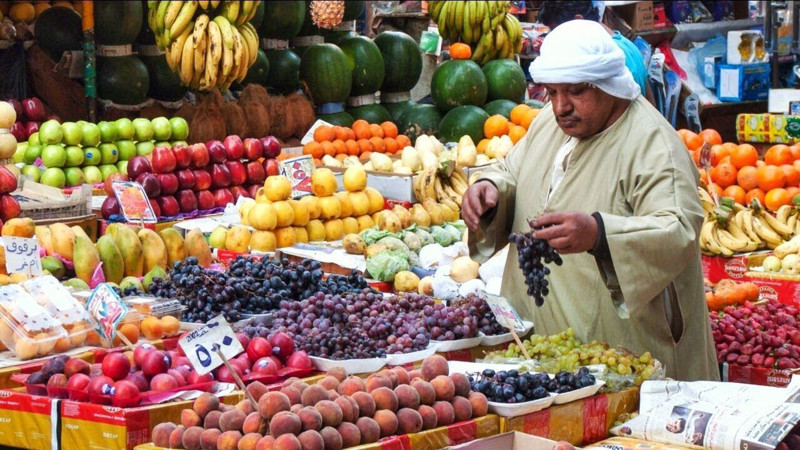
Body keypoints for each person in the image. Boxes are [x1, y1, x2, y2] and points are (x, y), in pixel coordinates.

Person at [462, 20, 719, 381]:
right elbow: (511, 169)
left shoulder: (653, 145)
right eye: (552, 93)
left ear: (607, 84)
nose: (561, 107)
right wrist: (489, 188)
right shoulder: (549, 125)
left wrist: (600, 234)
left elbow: (678, 230)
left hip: (622, 356)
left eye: (576, 91)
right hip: (542, 348)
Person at [537, 1, 654, 105]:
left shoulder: (601, 57)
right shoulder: (628, 45)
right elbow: (650, 105)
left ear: (578, 21)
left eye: (555, 30)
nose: (553, 37)